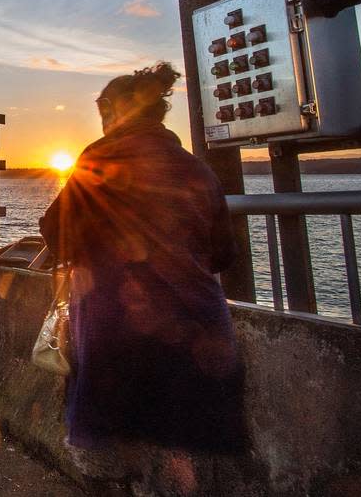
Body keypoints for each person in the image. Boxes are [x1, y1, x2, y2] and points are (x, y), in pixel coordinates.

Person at [39, 62, 245, 462]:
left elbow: (56, 232)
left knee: (106, 447)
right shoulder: (195, 167)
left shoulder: (99, 158)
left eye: (105, 115)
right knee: (192, 449)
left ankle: (105, 467)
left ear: (115, 112)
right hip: (200, 330)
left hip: (118, 323)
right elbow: (224, 254)